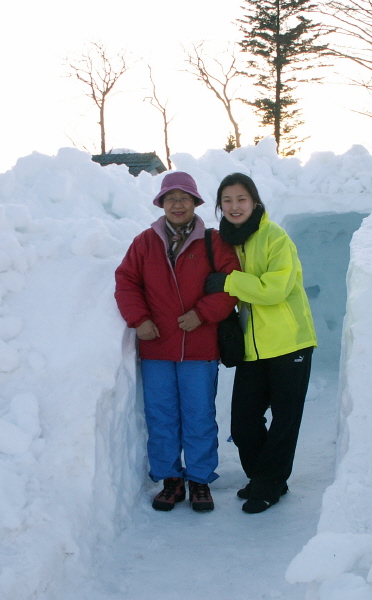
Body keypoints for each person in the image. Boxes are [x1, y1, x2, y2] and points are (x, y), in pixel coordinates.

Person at [115, 171, 239, 512]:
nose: (178, 204)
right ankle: (170, 479)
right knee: (161, 416)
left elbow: (232, 285)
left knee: (199, 415)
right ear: (162, 203)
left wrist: (202, 313)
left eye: (184, 198)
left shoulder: (214, 243)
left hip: (200, 348)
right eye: (171, 198)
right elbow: (126, 281)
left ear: (196, 203)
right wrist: (139, 319)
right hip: (156, 349)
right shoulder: (144, 242)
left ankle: (199, 480)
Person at [205, 172, 317, 514]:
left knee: (285, 420)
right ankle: (263, 478)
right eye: (227, 200)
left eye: (241, 199)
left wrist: (229, 282)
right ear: (220, 206)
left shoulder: (275, 237)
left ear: (254, 201)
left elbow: (275, 289)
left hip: (289, 343)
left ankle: (269, 484)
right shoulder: (228, 241)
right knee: (243, 422)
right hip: (253, 348)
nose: (234, 206)